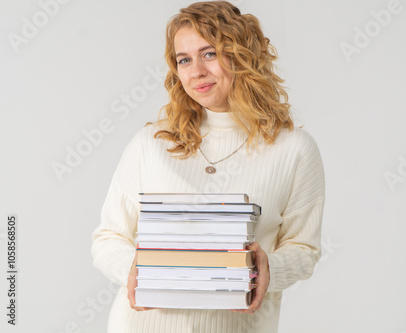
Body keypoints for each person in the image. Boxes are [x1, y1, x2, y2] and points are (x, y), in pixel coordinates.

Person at [91, 1, 325, 332]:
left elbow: (304, 249)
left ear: (243, 56)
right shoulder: (151, 144)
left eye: (210, 53)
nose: (196, 71)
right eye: (183, 60)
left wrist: (266, 268)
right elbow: (108, 237)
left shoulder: (293, 150)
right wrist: (134, 268)